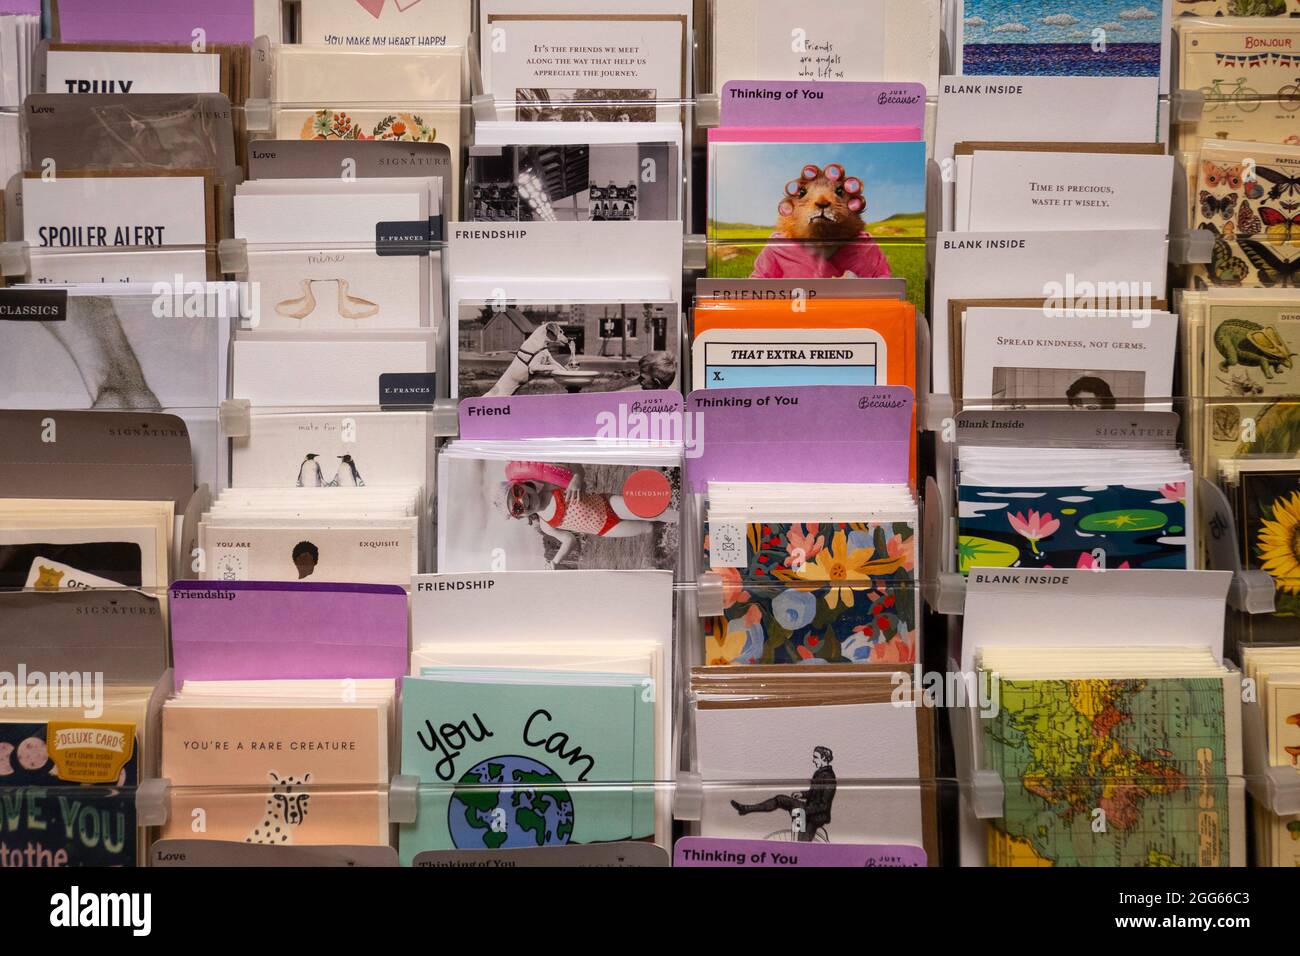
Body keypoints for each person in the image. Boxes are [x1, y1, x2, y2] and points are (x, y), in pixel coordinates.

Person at [730, 746, 837, 841]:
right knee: (780, 799)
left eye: (815, 757)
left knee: (801, 846)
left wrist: (804, 811)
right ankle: (746, 809)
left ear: (824, 758)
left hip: (816, 816)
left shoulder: (829, 777)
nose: (813, 760)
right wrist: (802, 794)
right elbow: (815, 793)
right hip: (808, 809)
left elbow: (823, 805)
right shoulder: (819, 773)